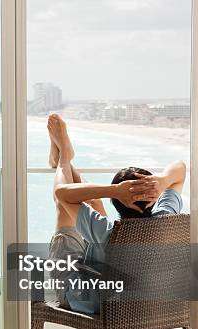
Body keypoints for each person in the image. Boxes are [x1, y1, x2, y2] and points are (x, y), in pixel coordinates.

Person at [46, 113, 186, 313]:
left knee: (64, 208)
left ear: (116, 202)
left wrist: (113, 190)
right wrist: (163, 180)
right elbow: (180, 168)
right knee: (92, 202)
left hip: (87, 297)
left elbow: (61, 194)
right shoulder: (165, 218)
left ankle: (63, 159)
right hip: (142, 303)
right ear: (154, 197)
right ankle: (63, 157)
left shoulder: (108, 232)